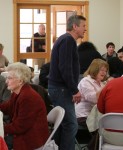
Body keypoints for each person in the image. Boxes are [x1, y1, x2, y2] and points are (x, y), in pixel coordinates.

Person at [48, 15, 86, 150]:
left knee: (63, 125)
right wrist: (74, 90)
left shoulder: (65, 39)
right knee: (71, 125)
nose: (85, 29)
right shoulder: (68, 40)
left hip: (60, 88)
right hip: (61, 89)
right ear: (75, 26)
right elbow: (65, 68)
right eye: (83, 26)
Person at [0, 62, 49, 150]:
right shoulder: (18, 92)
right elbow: (7, 107)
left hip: (30, 141)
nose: (6, 81)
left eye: (9, 78)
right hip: (24, 135)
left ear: (20, 81)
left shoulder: (28, 97)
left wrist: (1, 128)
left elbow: (20, 127)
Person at [75, 59, 109, 127]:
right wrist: (106, 86)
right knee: (106, 125)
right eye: (102, 70)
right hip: (84, 116)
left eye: (105, 71)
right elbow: (94, 99)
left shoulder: (101, 83)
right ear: (94, 69)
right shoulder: (86, 81)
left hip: (94, 115)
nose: (104, 73)